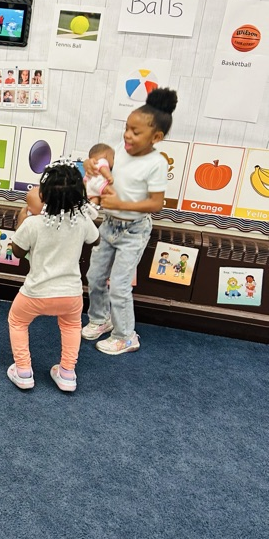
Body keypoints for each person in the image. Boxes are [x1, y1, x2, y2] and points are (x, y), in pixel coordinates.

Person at [82, 88, 177, 355]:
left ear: (156, 137)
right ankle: (100, 319)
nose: (127, 135)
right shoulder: (122, 149)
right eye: (127, 128)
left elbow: (156, 204)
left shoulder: (156, 163)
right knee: (95, 276)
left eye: (136, 132)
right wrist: (92, 165)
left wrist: (122, 204)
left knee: (120, 284)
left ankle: (126, 335)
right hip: (109, 225)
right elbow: (102, 162)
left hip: (134, 231)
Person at [8, 164, 99, 393]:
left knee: (17, 322)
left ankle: (23, 371)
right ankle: (67, 373)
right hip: (71, 294)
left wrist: (21, 218)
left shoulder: (34, 223)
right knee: (71, 326)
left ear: (44, 195)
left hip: (36, 293)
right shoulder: (82, 221)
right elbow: (95, 240)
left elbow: (17, 252)